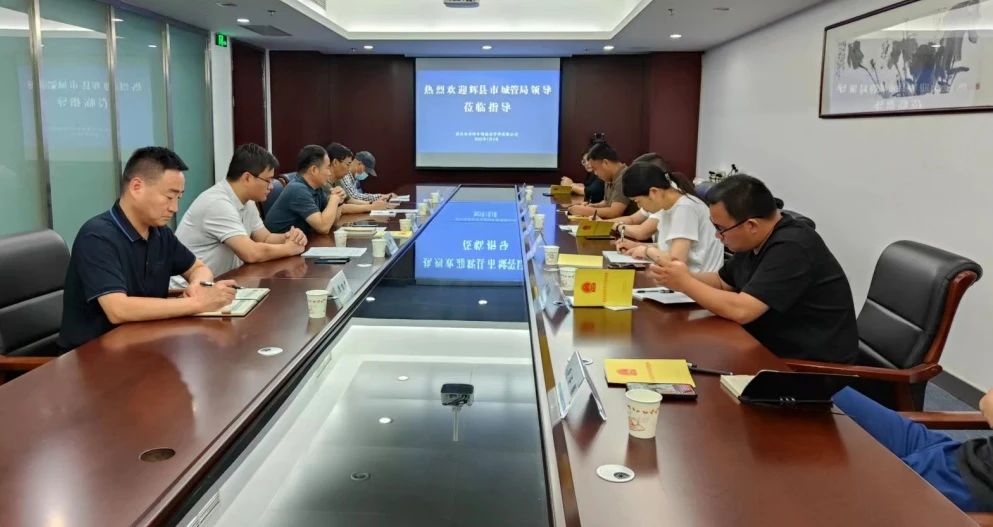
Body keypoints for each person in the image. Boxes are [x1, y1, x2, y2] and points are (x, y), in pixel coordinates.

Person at [648, 174, 858, 363]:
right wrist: (678, 275)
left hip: (810, 369)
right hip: (765, 347)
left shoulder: (792, 247)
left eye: (721, 229)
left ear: (751, 225)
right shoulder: (754, 240)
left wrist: (685, 283)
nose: (717, 236)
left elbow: (742, 310)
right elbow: (723, 282)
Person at [58, 147, 237, 351]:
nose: (175, 208)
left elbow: (198, 268)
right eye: (169, 196)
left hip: (144, 344)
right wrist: (197, 304)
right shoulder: (97, 237)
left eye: (179, 197)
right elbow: (118, 309)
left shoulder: (160, 233)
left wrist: (198, 285)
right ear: (136, 187)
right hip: (93, 356)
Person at [831, 386, 993, 512]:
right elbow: (987, 402)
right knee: (832, 390)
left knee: (831, 495)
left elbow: (989, 403)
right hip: (960, 452)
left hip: (965, 484)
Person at [173, 143, 307, 284]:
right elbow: (250, 253)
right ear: (247, 177)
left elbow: (264, 238)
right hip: (187, 290)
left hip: (223, 282)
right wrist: (289, 249)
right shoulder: (217, 203)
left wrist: (290, 237)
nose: (271, 186)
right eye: (267, 180)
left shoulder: (247, 201)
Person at [614, 163, 724, 274]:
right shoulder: (667, 207)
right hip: (680, 277)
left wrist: (646, 251)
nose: (639, 206)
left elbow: (676, 261)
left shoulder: (685, 208)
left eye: (638, 201)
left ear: (654, 192)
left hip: (697, 280)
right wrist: (638, 246)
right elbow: (666, 248)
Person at [264, 144, 350, 235]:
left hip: (301, 240)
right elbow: (323, 227)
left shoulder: (317, 188)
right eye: (327, 168)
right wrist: (334, 199)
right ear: (314, 170)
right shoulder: (298, 189)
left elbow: (332, 222)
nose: (329, 173)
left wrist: (338, 201)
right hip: (277, 242)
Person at [608, 152, 672, 241]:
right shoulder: (655, 194)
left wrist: (615, 226)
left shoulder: (666, 199)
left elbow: (642, 232)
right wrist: (601, 223)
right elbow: (633, 219)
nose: (638, 206)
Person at [566, 142, 638, 219]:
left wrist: (584, 211)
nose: (595, 173)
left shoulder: (624, 177)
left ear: (605, 163)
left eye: (595, 169)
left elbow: (614, 212)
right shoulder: (609, 176)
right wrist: (592, 206)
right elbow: (607, 202)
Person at [335, 149, 393, 214]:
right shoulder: (345, 176)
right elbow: (354, 197)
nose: (367, 174)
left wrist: (373, 203)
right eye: (366, 171)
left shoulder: (354, 178)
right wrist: (376, 200)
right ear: (359, 163)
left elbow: (354, 197)